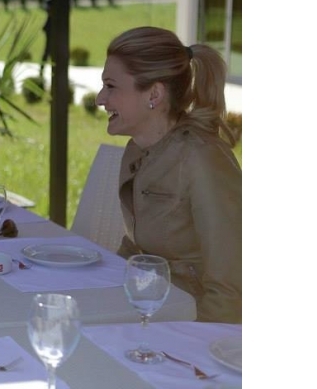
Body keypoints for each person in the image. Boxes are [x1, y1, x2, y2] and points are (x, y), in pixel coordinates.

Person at [94, 26, 241, 323]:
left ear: (154, 94)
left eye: (111, 86)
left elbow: (232, 288)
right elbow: (139, 249)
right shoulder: (138, 149)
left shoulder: (203, 159)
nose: (100, 98)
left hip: (193, 324)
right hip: (151, 308)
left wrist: (195, 342)